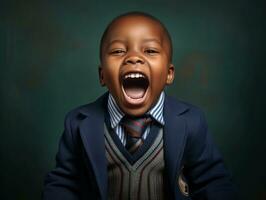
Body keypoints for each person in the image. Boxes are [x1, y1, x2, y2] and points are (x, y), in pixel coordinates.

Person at [43, 12, 237, 200]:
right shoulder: (78, 123)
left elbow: (212, 181)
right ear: (102, 75)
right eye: (119, 51)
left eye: (150, 50)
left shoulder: (191, 120)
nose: (133, 58)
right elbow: (64, 184)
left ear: (169, 74)